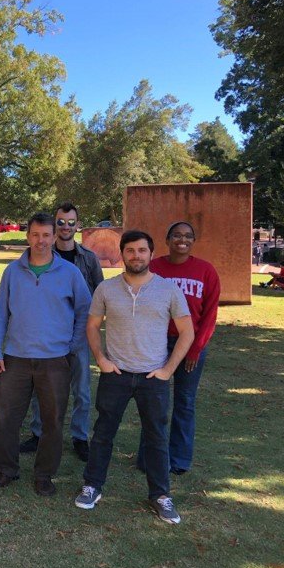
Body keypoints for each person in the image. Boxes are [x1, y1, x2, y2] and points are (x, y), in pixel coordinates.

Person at [75, 230, 194, 525]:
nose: (136, 256)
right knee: (103, 433)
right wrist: (101, 359)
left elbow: (187, 332)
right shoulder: (106, 288)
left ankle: (160, 495)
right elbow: (92, 326)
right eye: (130, 251)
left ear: (151, 254)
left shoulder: (168, 290)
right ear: (122, 254)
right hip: (116, 373)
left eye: (142, 250)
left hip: (153, 376)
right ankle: (92, 485)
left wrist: (167, 370)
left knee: (156, 437)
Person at [0, 213, 91, 496]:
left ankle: (44, 474)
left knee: (52, 420)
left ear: (55, 237)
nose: (41, 241)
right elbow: (1, 316)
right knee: (7, 417)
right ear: (27, 236)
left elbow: (85, 310)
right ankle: (6, 469)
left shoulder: (70, 273)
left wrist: (72, 345)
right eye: (35, 235)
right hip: (15, 358)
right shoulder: (12, 272)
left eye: (47, 235)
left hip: (55, 360)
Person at [135, 222, 220, 475]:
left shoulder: (206, 271)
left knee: (184, 401)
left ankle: (180, 459)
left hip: (190, 345)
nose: (182, 240)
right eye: (176, 235)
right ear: (167, 239)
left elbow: (209, 315)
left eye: (187, 236)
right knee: (153, 401)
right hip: (157, 344)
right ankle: (149, 457)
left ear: (193, 240)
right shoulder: (156, 268)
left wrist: (195, 349)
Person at [20, 202, 103, 462]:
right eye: (61, 222)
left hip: (78, 335)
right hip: (47, 337)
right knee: (41, 388)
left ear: (78, 225)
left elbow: (99, 297)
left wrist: (87, 331)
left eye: (71, 222)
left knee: (81, 390)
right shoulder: (42, 253)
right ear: (54, 225)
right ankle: (39, 432)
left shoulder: (88, 258)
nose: (66, 227)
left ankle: (79, 436)